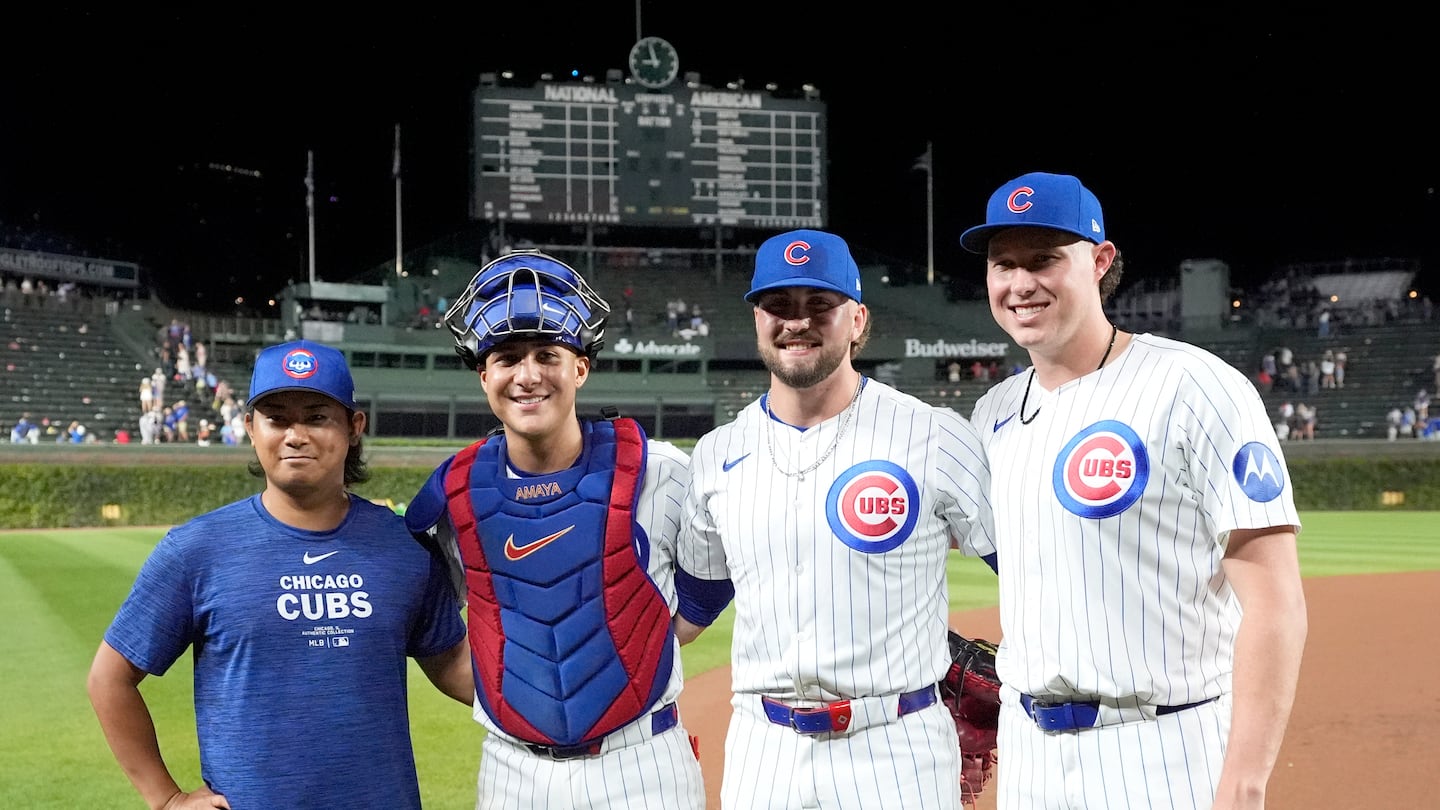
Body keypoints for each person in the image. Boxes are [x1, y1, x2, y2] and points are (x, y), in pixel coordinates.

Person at [959, 171, 1307, 808]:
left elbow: (1276, 600)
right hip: (1032, 759)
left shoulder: (1193, 386)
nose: (1020, 283)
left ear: (1099, 261)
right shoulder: (994, 413)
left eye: (1044, 260)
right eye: (1003, 264)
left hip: (1165, 748)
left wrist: (1244, 781)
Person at [673, 229, 997, 809]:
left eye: (820, 305)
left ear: (857, 319)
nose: (796, 321)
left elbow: (1031, 572)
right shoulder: (718, 453)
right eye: (779, 306)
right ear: (757, 318)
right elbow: (691, 610)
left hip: (896, 746)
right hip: (762, 750)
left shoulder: (934, 435)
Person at [87, 339, 472, 810]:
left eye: (316, 416)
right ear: (250, 428)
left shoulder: (404, 545)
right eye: (276, 418)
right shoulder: (197, 548)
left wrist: (556, 702)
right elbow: (109, 678)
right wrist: (166, 798)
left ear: (354, 427)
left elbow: (454, 665)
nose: (295, 434)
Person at [404, 251, 705, 809]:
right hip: (513, 771)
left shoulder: (662, 471)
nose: (528, 375)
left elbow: (708, 586)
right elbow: (430, 628)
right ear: (483, 374)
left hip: (643, 764)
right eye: (507, 357)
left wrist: (643, 649)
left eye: (548, 354)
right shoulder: (452, 495)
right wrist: (511, 694)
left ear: (581, 368)